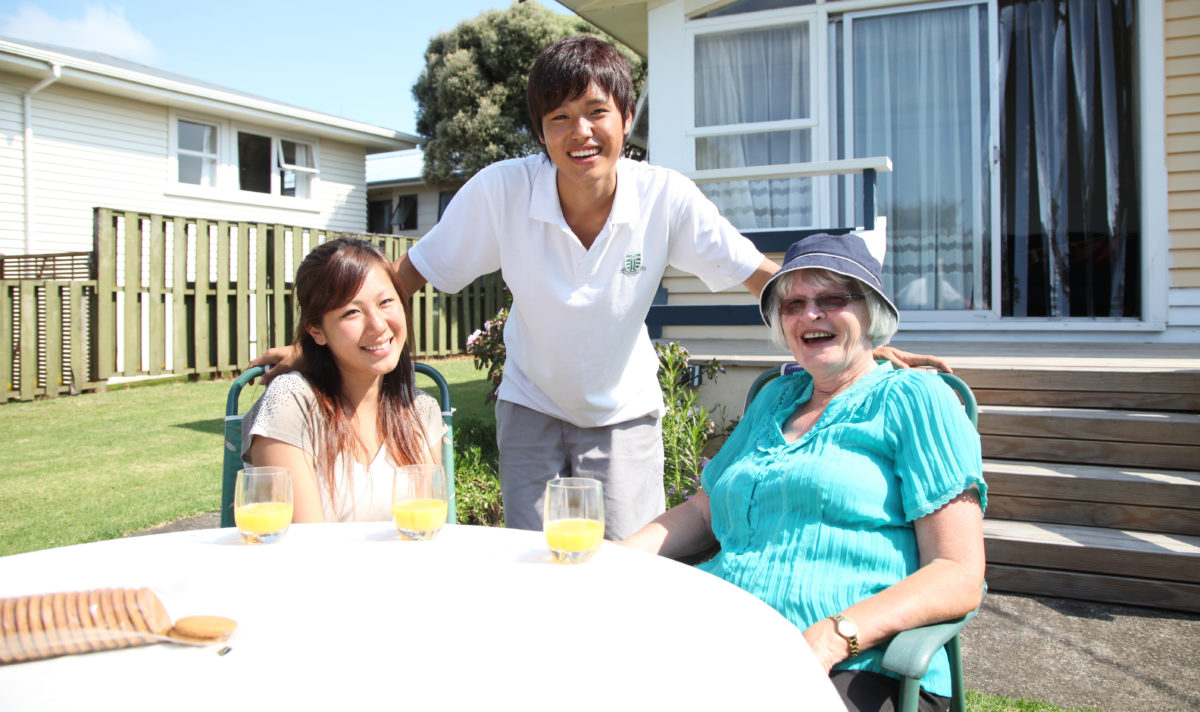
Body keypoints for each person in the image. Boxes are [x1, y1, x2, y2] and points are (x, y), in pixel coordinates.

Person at [251, 35, 948, 540]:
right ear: (540, 133)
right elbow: (403, 278)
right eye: (558, 119)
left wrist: (860, 344)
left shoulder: (665, 198)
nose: (579, 132)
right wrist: (310, 351)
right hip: (529, 405)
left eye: (595, 112)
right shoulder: (502, 191)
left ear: (626, 119)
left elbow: (761, 275)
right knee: (530, 563)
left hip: (623, 414)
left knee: (627, 567)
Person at [622, 233, 986, 712]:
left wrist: (837, 635)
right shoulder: (776, 399)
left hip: (856, 664)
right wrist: (617, 560)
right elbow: (702, 511)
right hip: (726, 640)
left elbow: (957, 572)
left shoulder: (917, 400)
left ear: (871, 313)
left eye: (833, 299)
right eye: (793, 304)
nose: (810, 314)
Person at [241, 237, 446, 522]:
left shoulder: (420, 412)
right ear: (316, 330)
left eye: (386, 302)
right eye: (352, 312)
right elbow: (306, 546)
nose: (378, 324)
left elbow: (424, 532)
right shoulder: (293, 404)